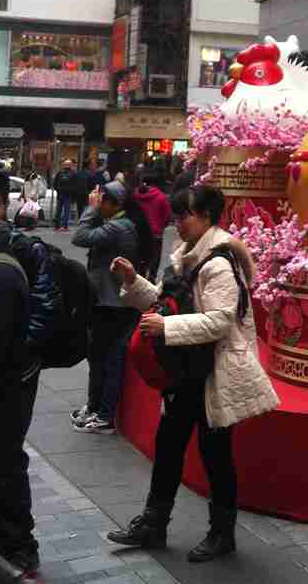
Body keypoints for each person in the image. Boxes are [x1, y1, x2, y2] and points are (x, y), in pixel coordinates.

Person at [106, 184, 277, 561]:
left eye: (185, 215)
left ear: (207, 217)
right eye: (177, 215)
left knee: (215, 456)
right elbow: (165, 301)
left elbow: (219, 321)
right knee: (168, 448)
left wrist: (166, 328)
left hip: (213, 373)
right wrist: (133, 281)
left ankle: (222, 534)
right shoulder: (185, 255)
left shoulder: (219, 264)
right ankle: (153, 525)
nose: (178, 222)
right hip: (185, 371)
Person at [0, 174, 55, 584]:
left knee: (5, 468)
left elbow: (8, 340)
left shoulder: (4, 265)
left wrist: (22, 362)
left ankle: (18, 575)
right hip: (9, 385)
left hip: (6, 390)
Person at [70, 182, 148, 434]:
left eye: (101, 200)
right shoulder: (117, 223)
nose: (97, 203)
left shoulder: (118, 227)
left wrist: (90, 210)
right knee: (99, 357)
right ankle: (95, 407)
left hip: (112, 304)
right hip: (108, 301)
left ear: (115, 204)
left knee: (107, 359)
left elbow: (79, 237)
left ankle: (104, 415)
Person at [133, 173, 171, 280]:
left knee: (140, 256)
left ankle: (139, 277)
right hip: (156, 233)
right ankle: (151, 277)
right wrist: (161, 225)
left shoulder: (135, 195)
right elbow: (167, 215)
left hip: (138, 231)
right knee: (155, 257)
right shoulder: (161, 196)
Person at [53, 160, 75, 231]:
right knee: (66, 211)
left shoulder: (59, 173)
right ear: (70, 166)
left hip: (60, 195)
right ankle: (64, 226)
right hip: (68, 195)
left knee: (58, 211)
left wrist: (58, 190)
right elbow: (75, 185)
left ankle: (57, 226)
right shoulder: (73, 173)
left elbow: (55, 184)